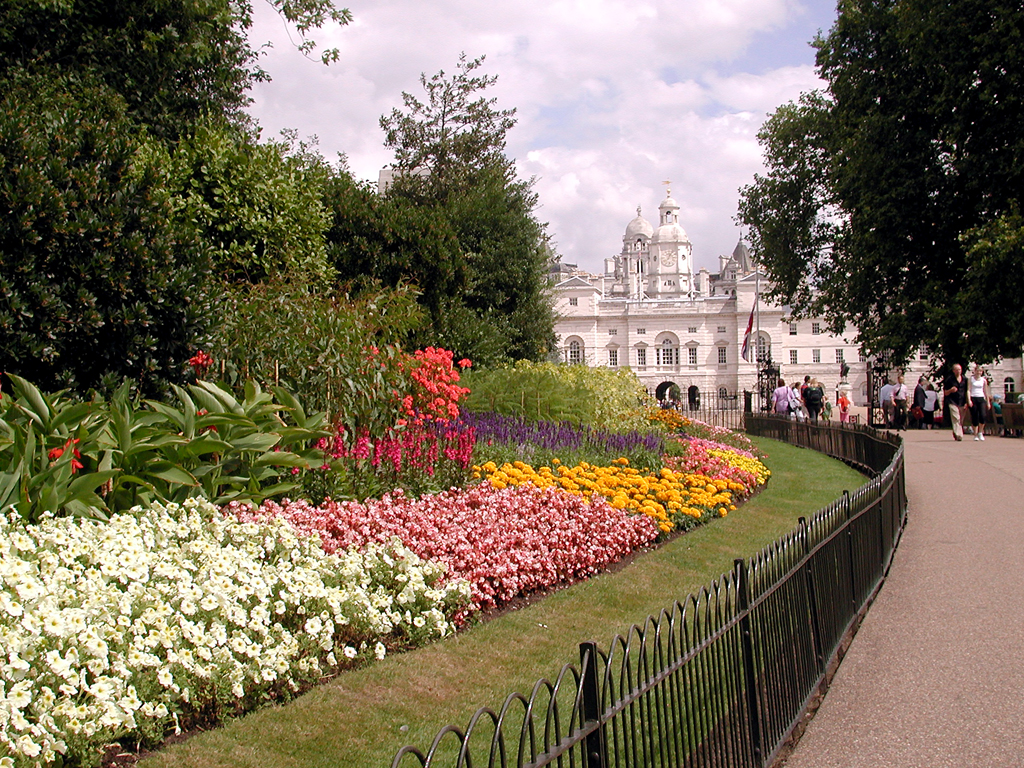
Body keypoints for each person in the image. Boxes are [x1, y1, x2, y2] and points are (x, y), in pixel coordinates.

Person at [943, 363, 969, 441]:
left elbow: (967, 391)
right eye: (957, 370)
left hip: (962, 401)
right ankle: (959, 435)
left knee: (960, 420)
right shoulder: (949, 380)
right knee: (956, 418)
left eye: (960, 369)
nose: (958, 371)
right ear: (953, 371)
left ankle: (956, 432)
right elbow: (945, 392)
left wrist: (967, 402)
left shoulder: (965, 379)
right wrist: (951, 390)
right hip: (952, 401)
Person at [968, 364, 992, 441]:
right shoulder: (971, 379)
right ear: (974, 371)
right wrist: (969, 400)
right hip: (973, 397)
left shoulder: (983, 380)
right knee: (974, 416)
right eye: (977, 371)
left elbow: (986, 391)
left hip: (981, 398)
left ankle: (980, 432)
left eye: (980, 371)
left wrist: (988, 402)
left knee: (982, 415)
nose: (979, 372)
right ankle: (975, 434)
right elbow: (968, 390)